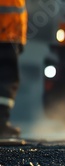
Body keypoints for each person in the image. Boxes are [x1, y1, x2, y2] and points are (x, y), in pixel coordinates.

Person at [0, 0, 27, 138]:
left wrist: (20, 40)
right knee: (7, 81)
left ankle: (2, 123)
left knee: (7, 82)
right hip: (6, 39)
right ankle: (1, 124)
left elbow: (18, 12)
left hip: (10, 38)